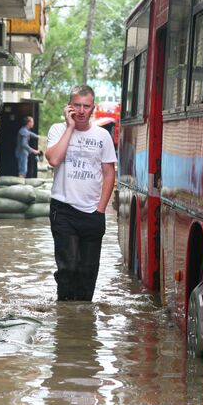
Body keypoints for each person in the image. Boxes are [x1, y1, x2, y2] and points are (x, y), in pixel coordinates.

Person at [45, 85, 117, 301]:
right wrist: (70, 128)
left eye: (86, 106)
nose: (82, 110)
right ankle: (65, 320)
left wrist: (100, 210)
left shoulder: (102, 136)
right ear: (69, 106)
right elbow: (54, 159)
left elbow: (108, 175)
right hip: (63, 210)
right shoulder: (57, 130)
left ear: (93, 108)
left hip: (92, 212)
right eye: (77, 105)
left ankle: (82, 325)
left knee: (87, 273)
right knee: (67, 268)